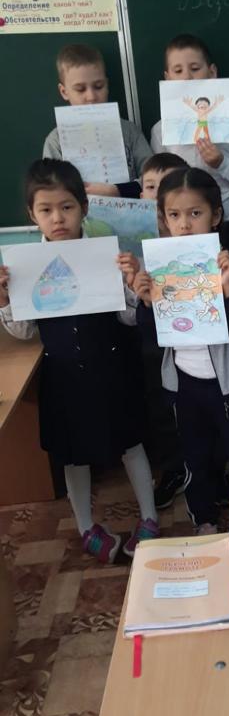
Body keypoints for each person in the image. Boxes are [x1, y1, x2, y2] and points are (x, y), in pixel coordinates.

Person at [0, 159, 158, 562]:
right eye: (46, 209)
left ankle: (149, 516)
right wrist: (4, 301)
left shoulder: (108, 255)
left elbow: (128, 319)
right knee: (73, 454)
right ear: (32, 215)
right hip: (64, 374)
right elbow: (25, 332)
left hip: (112, 367)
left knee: (130, 442)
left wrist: (131, 285)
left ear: (84, 208)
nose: (58, 218)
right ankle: (86, 526)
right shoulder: (24, 268)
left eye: (67, 207)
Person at [132, 166, 229, 534]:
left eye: (195, 213)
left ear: (215, 215)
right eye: (174, 215)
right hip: (184, 383)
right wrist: (146, 303)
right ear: (163, 219)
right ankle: (204, 520)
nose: (185, 224)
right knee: (196, 457)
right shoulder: (160, 268)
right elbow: (152, 337)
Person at [150, 34, 229, 260]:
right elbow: (159, 186)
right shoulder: (161, 130)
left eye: (195, 68)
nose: (187, 77)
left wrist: (222, 163)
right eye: (178, 71)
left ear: (212, 72)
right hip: (184, 228)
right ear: (167, 78)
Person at [43, 44, 152, 199]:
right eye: (80, 89)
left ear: (107, 85)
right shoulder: (56, 141)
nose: (91, 97)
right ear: (64, 91)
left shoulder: (129, 132)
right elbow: (51, 191)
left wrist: (118, 190)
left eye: (98, 86)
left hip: (129, 211)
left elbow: (154, 178)